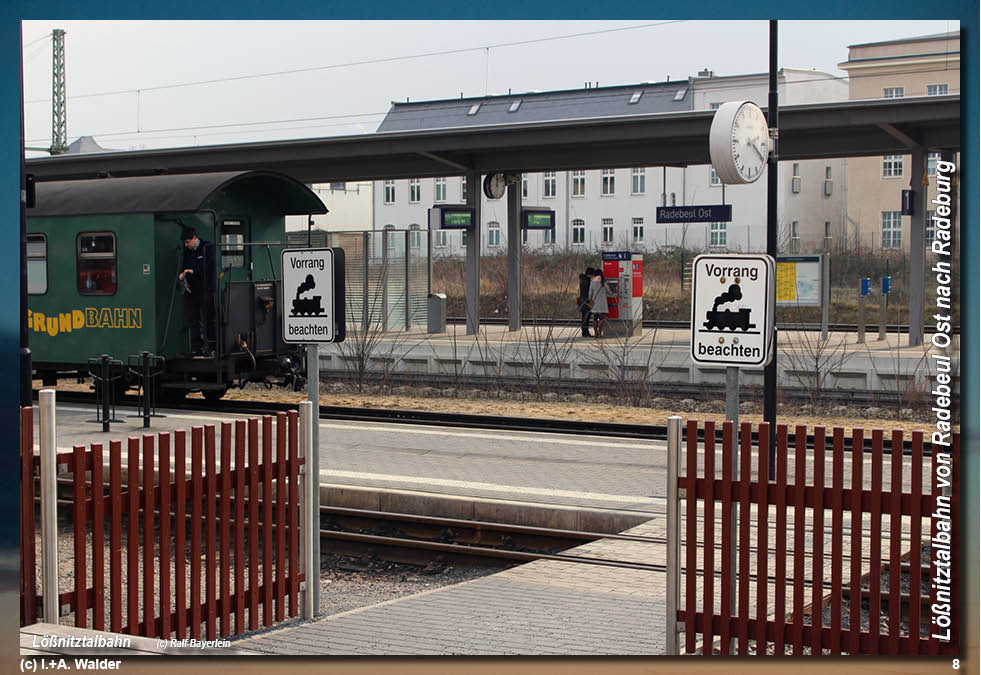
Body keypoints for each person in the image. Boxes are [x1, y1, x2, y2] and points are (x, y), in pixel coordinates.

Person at [178, 227, 216, 356]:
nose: (186, 244)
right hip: (192, 290)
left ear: (195, 238)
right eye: (185, 242)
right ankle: (196, 347)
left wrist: (195, 271)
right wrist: (183, 274)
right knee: (193, 318)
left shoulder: (208, 248)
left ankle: (211, 346)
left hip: (206, 288)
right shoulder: (187, 252)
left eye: (188, 241)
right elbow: (185, 266)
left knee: (208, 318)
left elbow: (211, 266)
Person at [588, 270, 608, 338]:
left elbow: (590, 293)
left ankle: (596, 333)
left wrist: (590, 299)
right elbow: (609, 290)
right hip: (602, 303)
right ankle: (600, 333)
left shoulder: (592, 282)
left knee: (595, 318)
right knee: (601, 318)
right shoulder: (603, 282)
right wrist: (613, 294)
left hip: (595, 302)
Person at [577, 267, 596, 337]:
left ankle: (584, 332)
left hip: (582, 300)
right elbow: (590, 292)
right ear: (590, 274)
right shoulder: (587, 282)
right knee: (586, 317)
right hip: (586, 301)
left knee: (584, 317)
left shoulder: (582, 279)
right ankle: (585, 332)